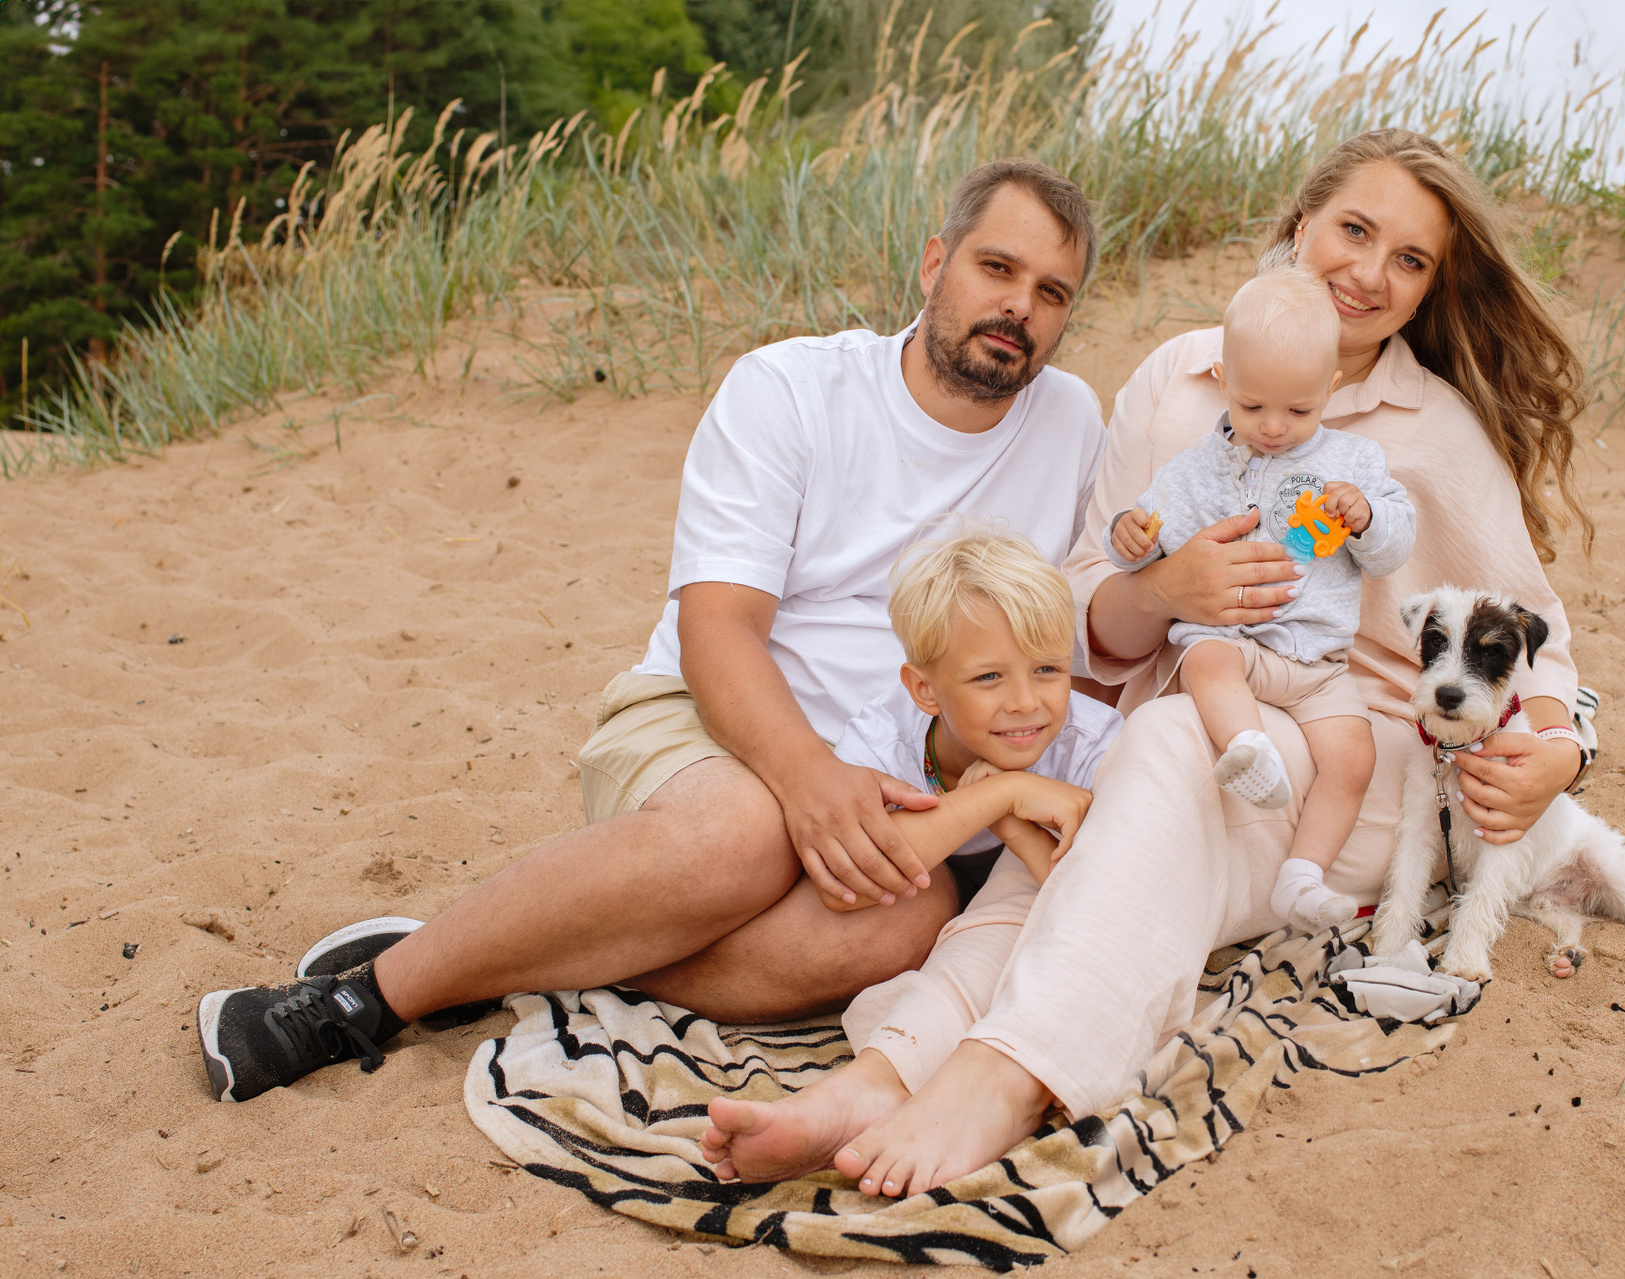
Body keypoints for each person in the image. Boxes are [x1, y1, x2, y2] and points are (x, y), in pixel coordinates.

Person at [711, 129, 1597, 1200]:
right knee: (1074, 834)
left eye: (1409, 259)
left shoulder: (1430, 428)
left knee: (1165, 751)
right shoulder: (1179, 379)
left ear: (1428, 288)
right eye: (1354, 230)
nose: (1370, 272)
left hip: (1341, 756)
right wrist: (1166, 587)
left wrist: (1561, 751)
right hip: (1170, 717)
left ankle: (1004, 1080)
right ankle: (879, 1076)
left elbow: (1541, 630)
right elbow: (1086, 606)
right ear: (1301, 225)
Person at [194, 159, 1111, 1104]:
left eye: (1052, 292)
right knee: (744, 834)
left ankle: (510, 954)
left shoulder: (1072, 422)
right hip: (714, 726)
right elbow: (717, 627)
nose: (1019, 307)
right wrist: (809, 780)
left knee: (905, 923)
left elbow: (1088, 617)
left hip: (906, 774)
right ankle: (364, 998)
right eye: (996, 268)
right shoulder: (791, 388)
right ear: (933, 263)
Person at [698, 524, 1120, 1183]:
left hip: (1009, 910)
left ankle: (911, 1089)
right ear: (924, 690)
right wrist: (998, 796)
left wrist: (1014, 830)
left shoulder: (1090, 743)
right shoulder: (888, 739)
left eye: (1048, 669)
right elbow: (864, 874)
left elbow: (1085, 897)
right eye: (988, 677)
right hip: (927, 907)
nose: (1025, 702)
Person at [1103, 264, 1414, 930]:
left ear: (1331, 388)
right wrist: (1128, 535)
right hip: (1235, 643)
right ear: (1224, 382)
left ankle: (1301, 877)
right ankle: (1248, 748)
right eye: (1252, 407)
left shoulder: (1353, 464)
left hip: (1317, 662)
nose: (1273, 427)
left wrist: (1367, 516)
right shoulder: (1196, 468)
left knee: (1353, 757)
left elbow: (1392, 550)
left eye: (1299, 410)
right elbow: (1146, 537)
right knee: (1203, 660)